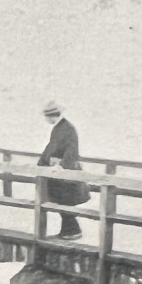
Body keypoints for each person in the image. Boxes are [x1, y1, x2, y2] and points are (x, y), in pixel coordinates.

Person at [38, 101, 88, 239]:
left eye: (46, 117)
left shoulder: (67, 128)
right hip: (57, 170)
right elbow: (51, 148)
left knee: (66, 200)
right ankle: (68, 230)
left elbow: (72, 150)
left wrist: (62, 167)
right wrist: (41, 163)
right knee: (61, 200)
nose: (46, 120)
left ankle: (73, 231)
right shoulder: (58, 128)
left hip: (66, 172)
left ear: (51, 116)